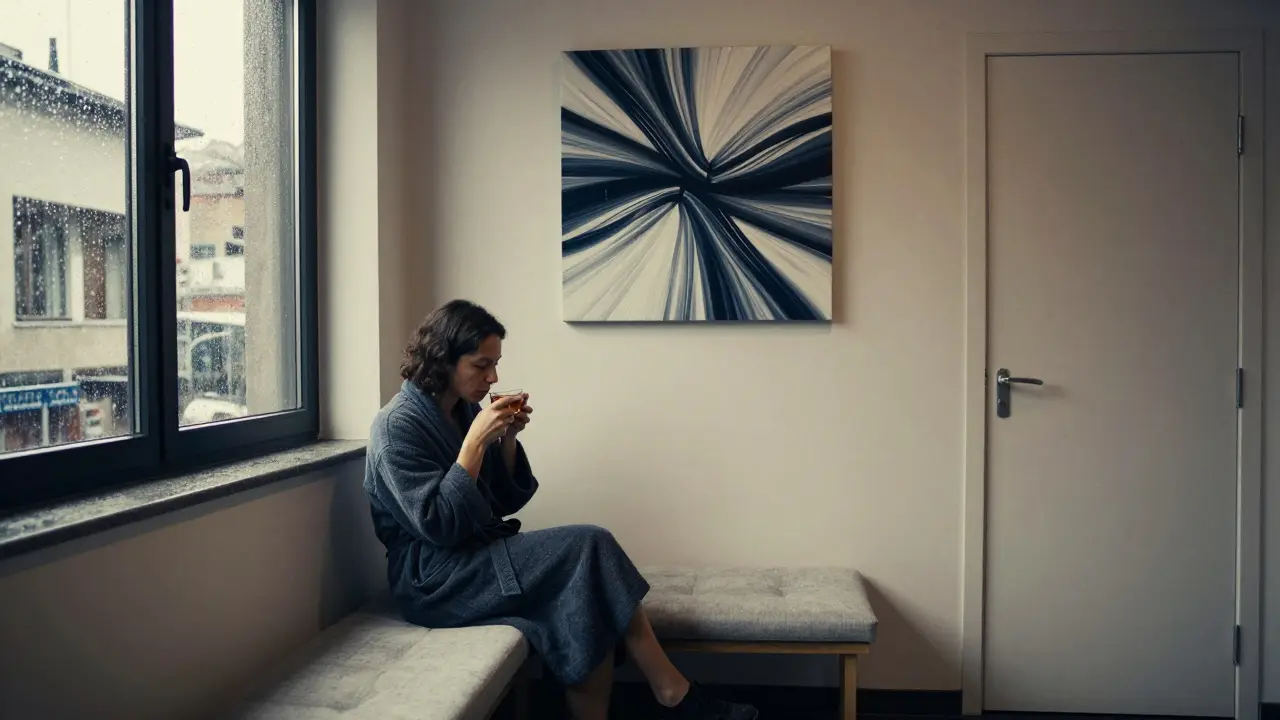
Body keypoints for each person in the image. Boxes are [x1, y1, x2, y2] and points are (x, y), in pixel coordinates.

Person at [365, 300, 758, 720]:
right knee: (590, 542)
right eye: (482, 365)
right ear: (443, 359)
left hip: (471, 559)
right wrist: (475, 443)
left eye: (496, 364)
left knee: (583, 593)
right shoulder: (396, 427)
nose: (493, 377)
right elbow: (439, 525)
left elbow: (502, 500)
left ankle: (664, 692)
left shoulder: (462, 411)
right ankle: (672, 690)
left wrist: (507, 441)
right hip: (434, 580)